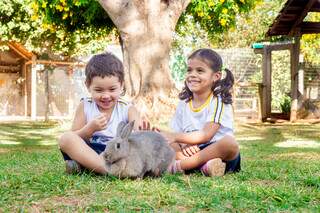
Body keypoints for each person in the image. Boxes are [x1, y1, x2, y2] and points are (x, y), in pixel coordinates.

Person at [59, 52, 143, 174]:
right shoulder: (85, 106)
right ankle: (105, 169)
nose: (105, 96)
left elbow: (139, 135)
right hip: (89, 152)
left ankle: (88, 168)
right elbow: (75, 136)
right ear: (88, 86)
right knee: (66, 138)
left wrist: (144, 133)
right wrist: (89, 129)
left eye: (112, 89)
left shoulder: (127, 109)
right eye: (98, 90)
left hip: (117, 153)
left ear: (121, 86)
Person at [162, 48, 241, 176]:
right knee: (167, 144)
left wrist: (176, 137)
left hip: (215, 150)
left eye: (200, 71)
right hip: (191, 152)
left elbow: (206, 134)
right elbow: (178, 132)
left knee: (230, 144)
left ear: (216, 76)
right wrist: (184, 144)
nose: (192, 74)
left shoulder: (218, 100)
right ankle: (205, 167)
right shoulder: (184, 102)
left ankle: (179, 166)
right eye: (189, 70)